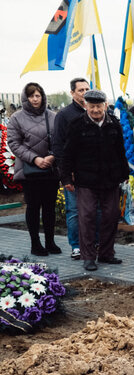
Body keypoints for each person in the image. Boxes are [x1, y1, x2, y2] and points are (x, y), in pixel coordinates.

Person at [60, 90, 129, 271]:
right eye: (92, 106)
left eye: (99, 106)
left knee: (111, 216)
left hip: (111, 179)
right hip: (86, 180)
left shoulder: (114, 123)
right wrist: (66, 177)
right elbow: (67, 154)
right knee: (87, 216)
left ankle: (106, 253)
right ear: (86, 106)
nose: (96, 110)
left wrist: (125, 174)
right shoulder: (76, 125)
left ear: (105, 105)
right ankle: (88, 256)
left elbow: (120, 151)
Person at [7, 82, 60, 256]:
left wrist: (51, 157)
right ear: (26, 98)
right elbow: (14, 143)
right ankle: (35, 244)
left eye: (38, 95)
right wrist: (35, 158)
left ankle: (50, 242)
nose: (35, 99)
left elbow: (61, 140)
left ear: (42, 96)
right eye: (31, 96)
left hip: (50, 169)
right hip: (30, 170)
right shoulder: (17, 118)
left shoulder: (52, 116)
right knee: (33, 206)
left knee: (49, 207)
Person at [52, 77, 90, 260]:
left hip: (93, 172)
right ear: (72, 93)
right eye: (80, 90)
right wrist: (66, 174)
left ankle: (93, 242)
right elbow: (58, 146)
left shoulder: (96, 110)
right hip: (73, 172)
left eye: (86, 89)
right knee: (74, 211)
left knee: (94, 209)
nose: (84, 93)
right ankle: (76, 245)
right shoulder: (64, 115)